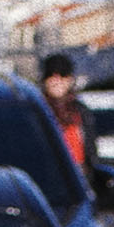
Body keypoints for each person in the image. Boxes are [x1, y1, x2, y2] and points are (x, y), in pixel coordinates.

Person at [38, 50, 91, 179]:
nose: (57, 81)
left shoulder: (80, 112)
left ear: (70, 80)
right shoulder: (36, 111)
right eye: (51, 75)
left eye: (62, 75)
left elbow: (90, 153)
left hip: (76, 180)